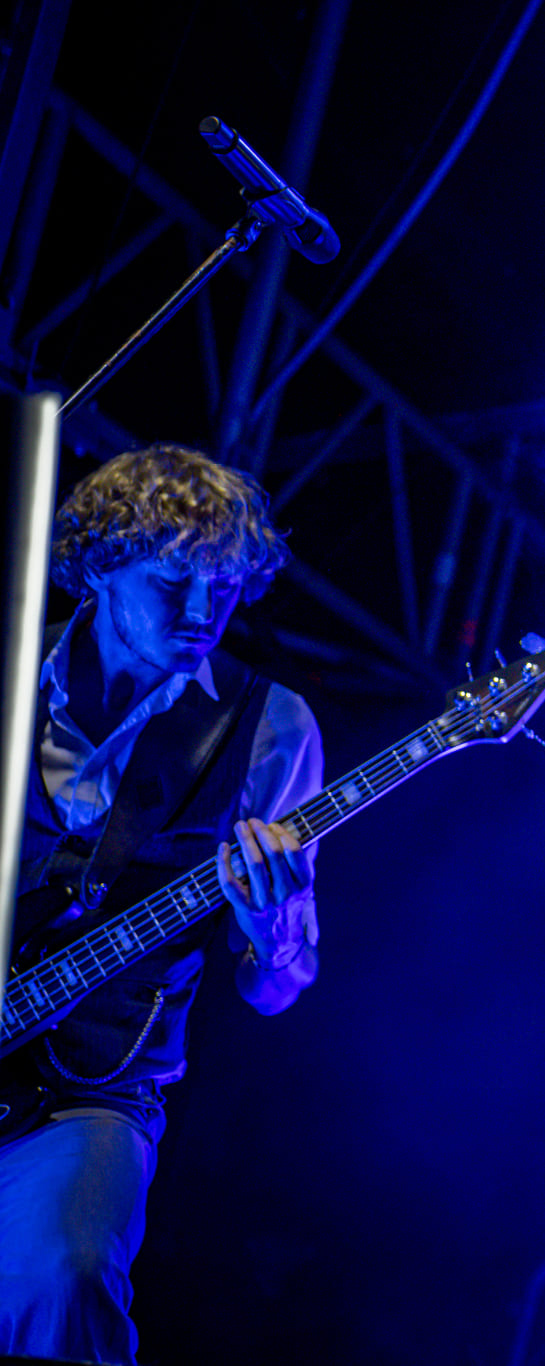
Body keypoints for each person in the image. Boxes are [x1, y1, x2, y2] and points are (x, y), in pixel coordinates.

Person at [0, 444, 324, 1365]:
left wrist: (272, 927)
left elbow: (277, 989)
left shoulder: (272, 727)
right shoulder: (14, 672)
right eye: (172, 581)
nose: (200, 614)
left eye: (224, 587)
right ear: (100, 567)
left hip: (86, 1097)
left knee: (62, 1280)